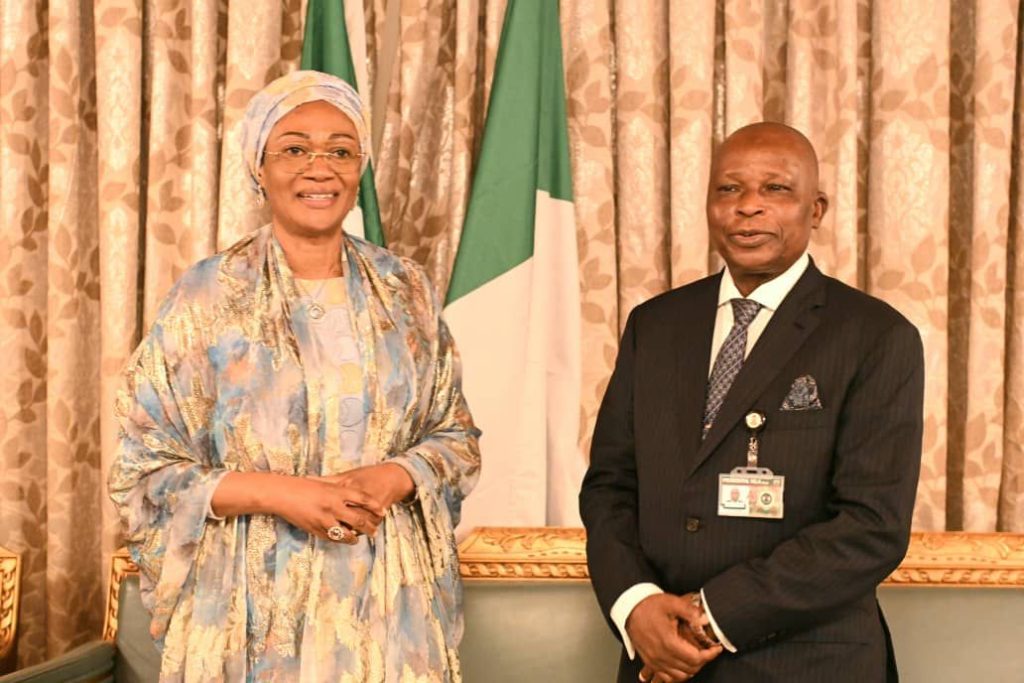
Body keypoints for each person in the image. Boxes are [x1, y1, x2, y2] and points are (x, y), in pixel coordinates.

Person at [109, 70, 481, 682]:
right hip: (249, 609)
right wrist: (282, 494)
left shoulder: (405, 289)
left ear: (359, 167)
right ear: (259, 166)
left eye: (340, 150)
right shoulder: (206, 296)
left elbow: (457, 437)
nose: (319, 167)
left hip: (387, 604)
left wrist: (397, 475)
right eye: (295, 149)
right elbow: (142, 469)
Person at [579, 122, 924, 683]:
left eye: (776, 190)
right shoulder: (655, 326)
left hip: (810, 663)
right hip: (660, 662)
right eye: (729, 189)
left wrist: (711, 617)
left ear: (816, 210)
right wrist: (636, 605)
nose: (748, 208)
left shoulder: (876, 336)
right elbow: (610, 487)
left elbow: (870, 525)